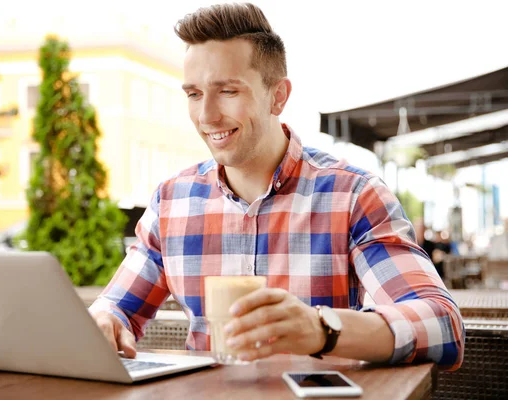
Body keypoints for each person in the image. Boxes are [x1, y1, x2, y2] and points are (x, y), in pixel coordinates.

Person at [89, 3, 464, 370]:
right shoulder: (172, 202)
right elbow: (115, 308)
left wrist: (322, 330)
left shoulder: (353, 195)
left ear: (279, 96)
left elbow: (443, 325)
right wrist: (105, 321)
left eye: (228, 91)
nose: (206, 116)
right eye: (194, 94)